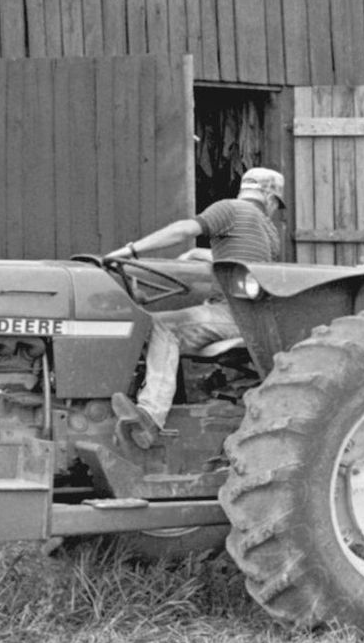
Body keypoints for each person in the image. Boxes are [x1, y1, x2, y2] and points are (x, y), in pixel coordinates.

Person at [107, 167, 286, 448]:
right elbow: (235, 257)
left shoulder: (229, 209)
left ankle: (151, 415)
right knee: (162, 325)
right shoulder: (269, 232)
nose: (275, 209)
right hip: (250, 318)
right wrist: (197, 254)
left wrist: (130, 251)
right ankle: (156, 399)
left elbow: (182, 230)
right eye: (277, 204)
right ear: (270, 198)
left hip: (231, 314)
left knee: (159, 325)